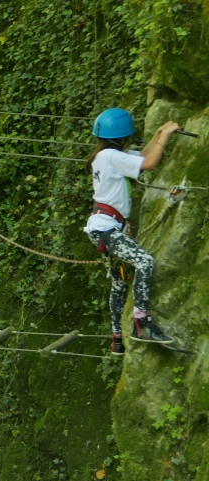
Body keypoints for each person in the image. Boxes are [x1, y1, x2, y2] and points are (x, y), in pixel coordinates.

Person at [84, 107, 181, 355]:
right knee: (145, 262)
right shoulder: (111, 157)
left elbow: (142, 155)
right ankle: (142, 323)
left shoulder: (107, 156)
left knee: (118, 282)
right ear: (123, 137)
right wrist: (167, 136)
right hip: (107, 229)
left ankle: (117, 338)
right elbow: (149, 163)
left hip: (104, 228)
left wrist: (159, 133)